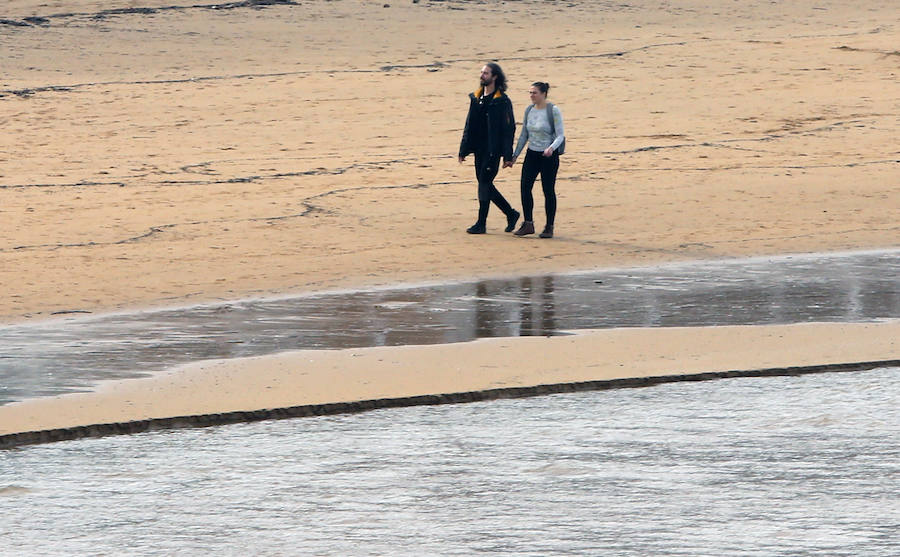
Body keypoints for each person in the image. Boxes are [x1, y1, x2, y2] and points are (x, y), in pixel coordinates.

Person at [458, 63, 520, 234]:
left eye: (486, 73)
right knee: (484, 183)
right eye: (482, 72)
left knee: (484, 182)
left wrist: (507, 155)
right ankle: (511, 213)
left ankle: (481, 223)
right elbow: (469, 124)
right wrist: (463, 149)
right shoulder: (476, 98)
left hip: (493, 149)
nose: (482, 75)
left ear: (495, 77)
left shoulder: (502, 101)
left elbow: (509, 129)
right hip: (478, 148)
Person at [508, 81, 565, 238]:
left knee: (548, 190)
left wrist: (551, 148)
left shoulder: (553, 110)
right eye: (530, 92)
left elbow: (560, 135)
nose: (531, 95)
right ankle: (528, 223)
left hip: (548, 156)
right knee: (525, 187)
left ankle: (549, 226)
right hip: (532, 154)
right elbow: (524, 135)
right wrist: (514, 156)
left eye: (534, 93)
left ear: (543, 94)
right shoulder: (529, 110)